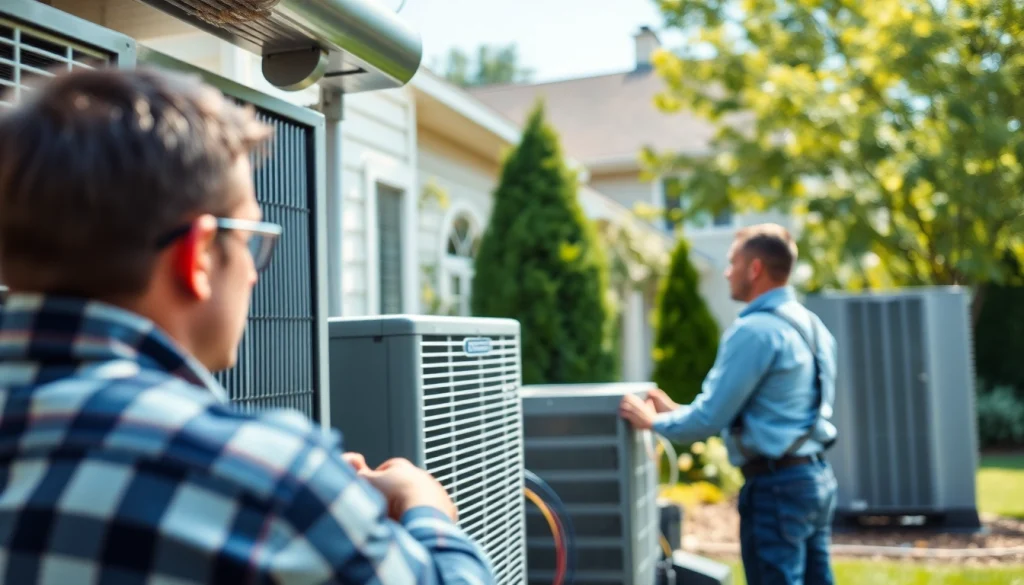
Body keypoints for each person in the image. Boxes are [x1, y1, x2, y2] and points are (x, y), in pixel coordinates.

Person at [0, 67, 494, 584]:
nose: (255, 275)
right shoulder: (266, 481)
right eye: (252, 241)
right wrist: (427, 511)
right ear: (198, 256)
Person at [620, 223, 839, 585]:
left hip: (776, 489)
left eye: (732, 262)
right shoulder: (813, 327)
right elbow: (763, 412)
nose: (726, 272)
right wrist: (675, 410)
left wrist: (651, 422)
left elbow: (707, 420)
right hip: (815, 479)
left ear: (754, 269)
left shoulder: (754, 331)